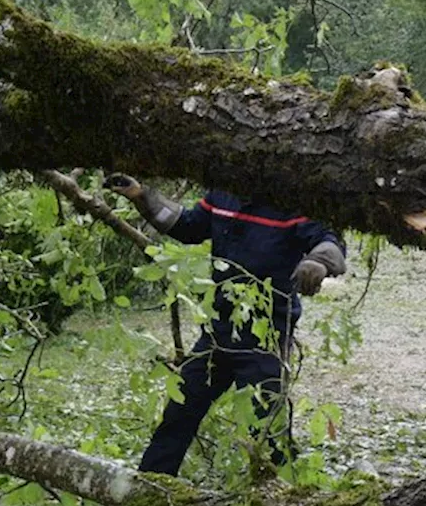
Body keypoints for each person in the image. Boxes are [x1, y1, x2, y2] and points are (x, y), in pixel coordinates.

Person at [105, 174, 346, 477]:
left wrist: (318, 262)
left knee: (267, 432)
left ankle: (282, 501)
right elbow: (189, 226)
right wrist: (142, 196)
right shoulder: (224, 193)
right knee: (179, 413)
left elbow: (331, 244)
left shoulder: (292, 201)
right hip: (217, 332)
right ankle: (150, 487)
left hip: (265, 339)